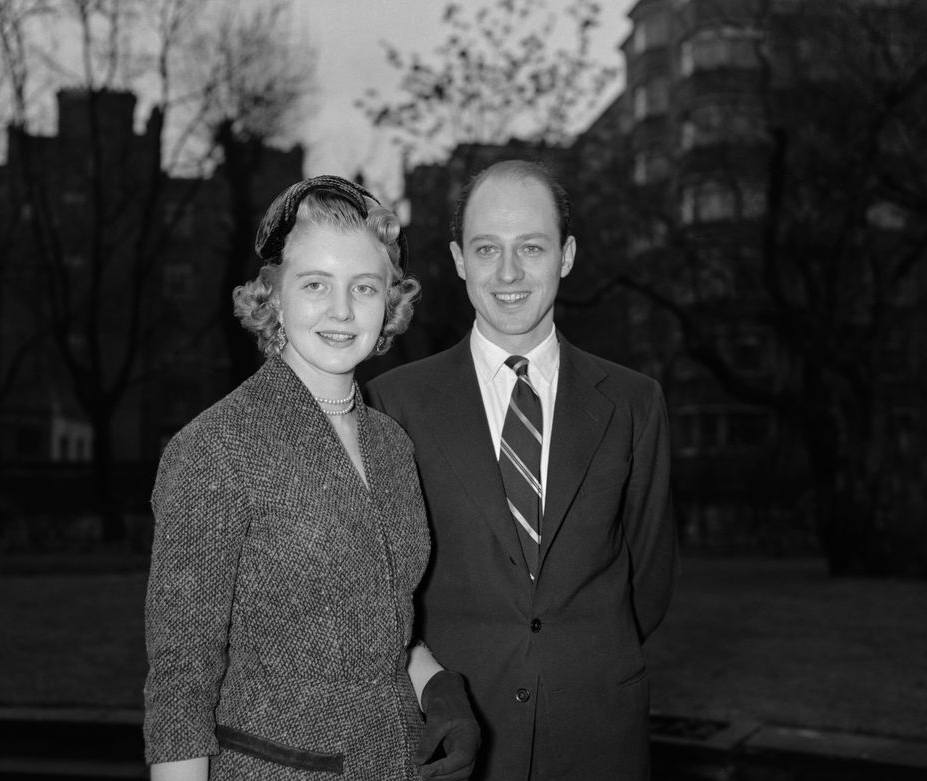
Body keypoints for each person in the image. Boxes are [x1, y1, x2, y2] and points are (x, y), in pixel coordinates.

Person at [143, 176, 479, 781]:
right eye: (315, 284)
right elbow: (180, 686)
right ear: (274, 296)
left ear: (390, 303)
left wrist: (438, 690)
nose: (342, 310)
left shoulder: (392, 445)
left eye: (364, 287)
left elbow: (383, 625)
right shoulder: (216, 449)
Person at [367, 160, 678, 780]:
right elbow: (381, 591)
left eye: (530, 248)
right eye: (487, 249)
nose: (508, 273)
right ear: (458, 259)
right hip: (454, 743)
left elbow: (649, 574)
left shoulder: (634, 403)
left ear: (565, 256)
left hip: (598, 735)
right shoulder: (391, 405)